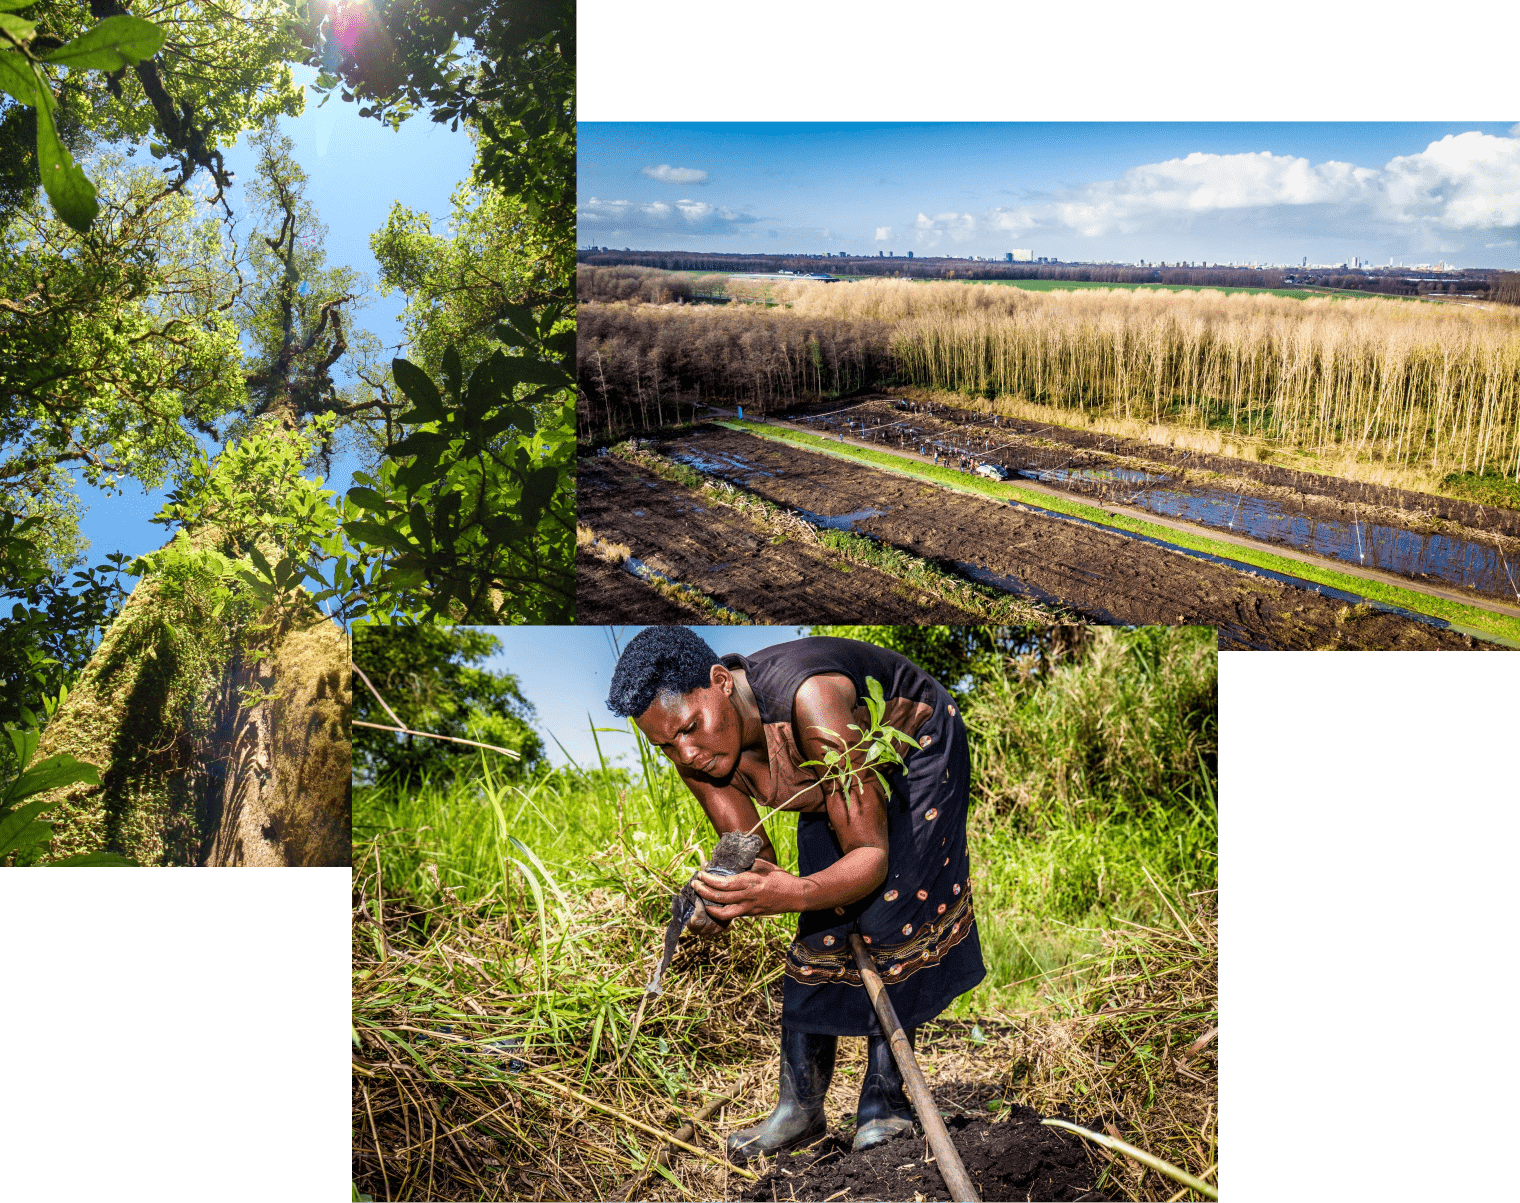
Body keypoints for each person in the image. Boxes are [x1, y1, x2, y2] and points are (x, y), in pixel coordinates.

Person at [606, 628, 986, 1163]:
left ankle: (885, 1103)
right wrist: (719, 897)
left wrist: (794, 891)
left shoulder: (812, 700)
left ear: (721, 682)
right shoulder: (692, 752)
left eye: (690, 728)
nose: (686, 753)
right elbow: (753, 853)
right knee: (822, 924)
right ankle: (799, 1110)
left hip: (913, 752)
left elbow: (869, 855)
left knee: (889, 913)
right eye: (665, 745)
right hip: (835, 781)